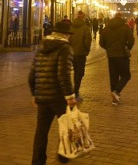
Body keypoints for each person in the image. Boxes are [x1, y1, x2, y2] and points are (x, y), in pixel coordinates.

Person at [29, 19, 76, 165]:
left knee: (41, 130)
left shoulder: (41, 46)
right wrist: (70, 96)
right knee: (67, 125)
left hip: (42, 96)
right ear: (65, 34)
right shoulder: (65, 48)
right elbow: (64, 74)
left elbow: (32, 74)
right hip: (59, 97)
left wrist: (34, 94)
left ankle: (37, 160)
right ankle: (64, 155)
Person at [99, 12, 134, 105]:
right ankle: (116, 92)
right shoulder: (125, 27)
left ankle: (114, 100)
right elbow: (131, 40)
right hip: (122, 55)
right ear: (121, 18)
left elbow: (101, 42)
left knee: (113, 77)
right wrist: (127, 48)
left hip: (111, 56)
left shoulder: (106, 28)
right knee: (126, 75)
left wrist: (109, 49)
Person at [69, 11, 92, 102]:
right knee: (80, 72)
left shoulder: (71, 27)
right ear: (83, 18)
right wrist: (87, 50)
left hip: (71, 53)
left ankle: (74, 89)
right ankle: (76, 90)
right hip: (81, 54)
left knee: (75, 70)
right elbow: (87, 41)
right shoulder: (85, 28)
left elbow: (68, 39)